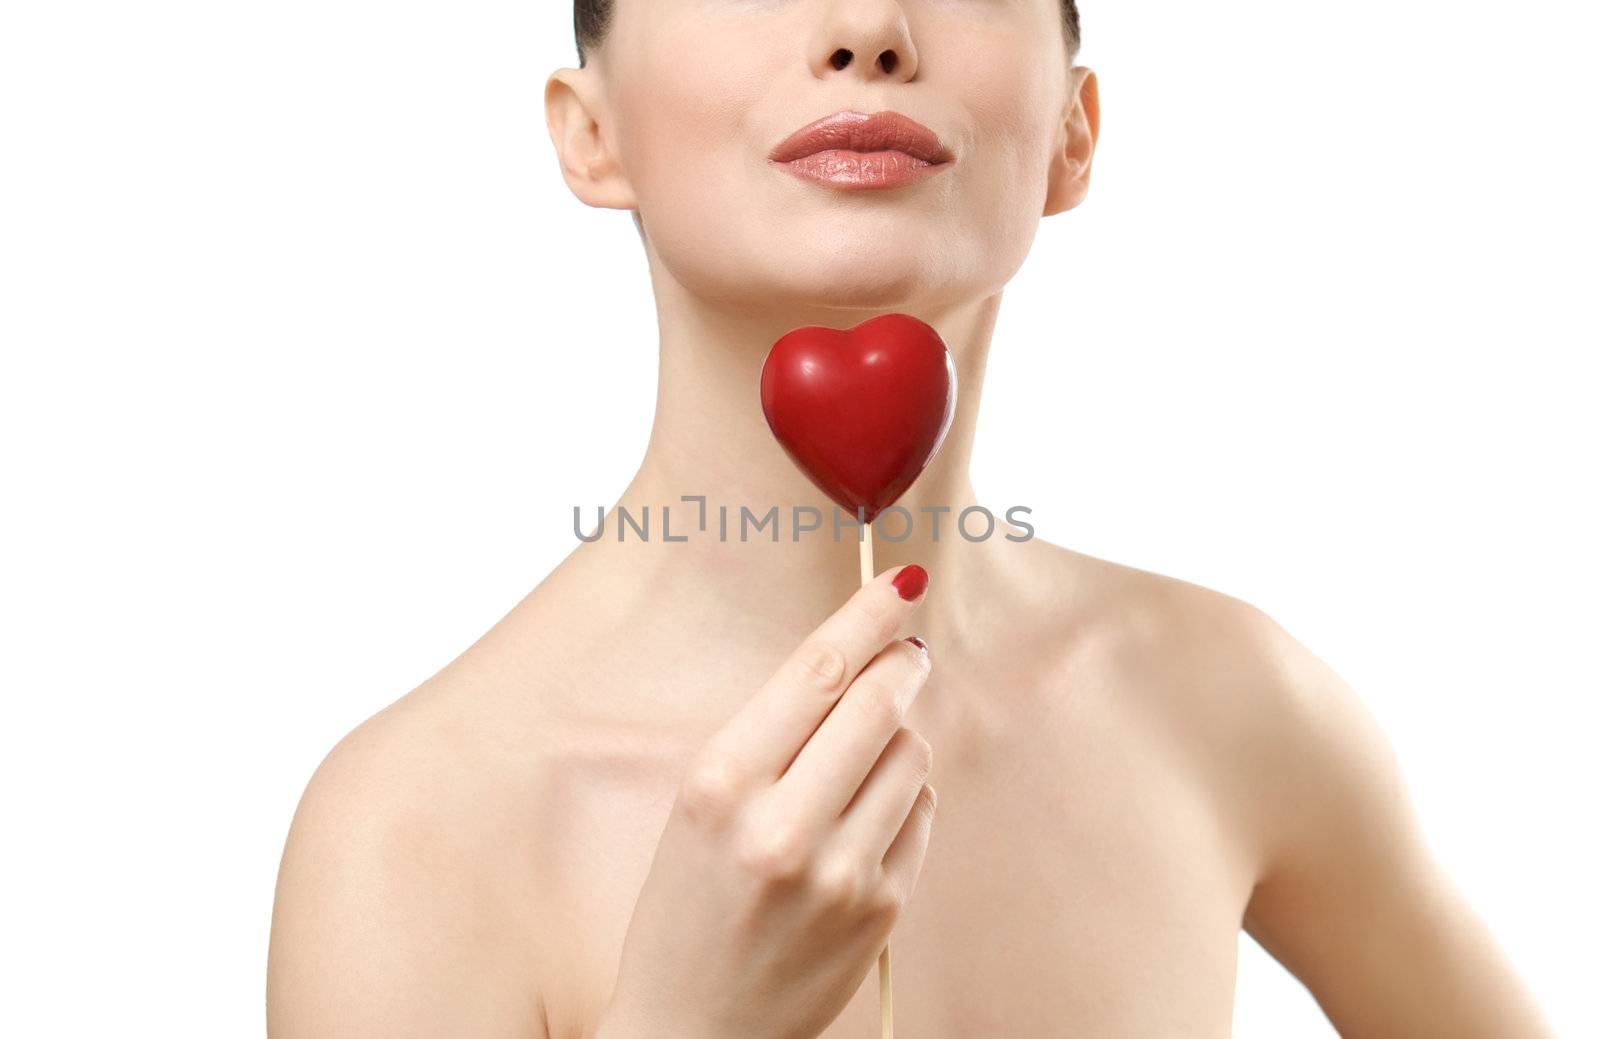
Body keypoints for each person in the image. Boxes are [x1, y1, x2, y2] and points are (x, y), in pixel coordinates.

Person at [266, 2, 1555, 1035]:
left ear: (1074, 134)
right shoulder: (406, 842)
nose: (869, 28)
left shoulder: (1233, 702)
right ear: (590, 135)